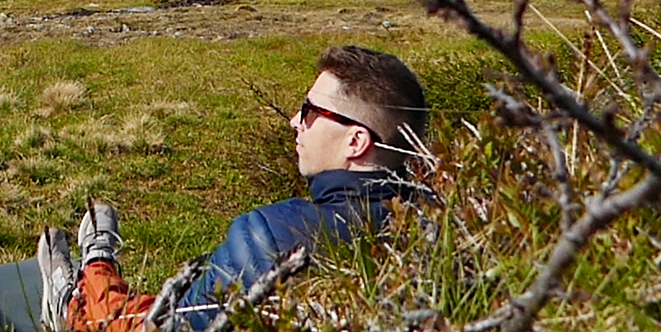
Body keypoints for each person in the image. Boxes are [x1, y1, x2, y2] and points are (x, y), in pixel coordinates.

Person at [37, 45, 428, 332]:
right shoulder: (440, 228)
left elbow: (172, 326)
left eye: (310, 112)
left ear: (356, 142)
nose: (295, 121)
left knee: (127, 315)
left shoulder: (269, 238)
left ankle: (79, 288)